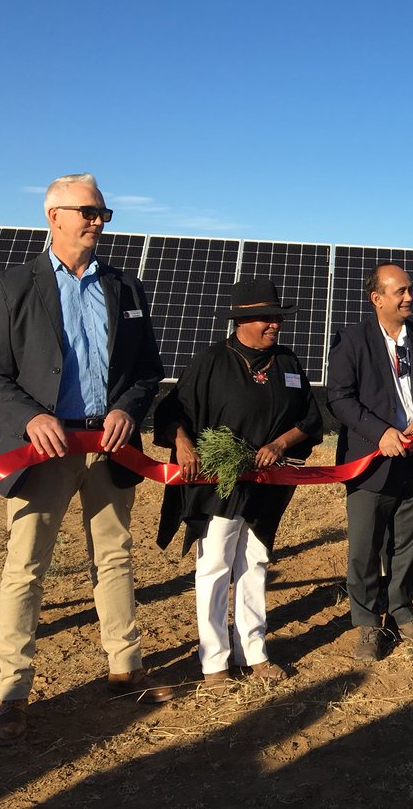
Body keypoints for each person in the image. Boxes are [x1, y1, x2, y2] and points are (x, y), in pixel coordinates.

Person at [0, 173, 169, 745]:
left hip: (109, 447)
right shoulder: (12, 285)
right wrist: (31, 418)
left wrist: (128, 409)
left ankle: (125, 667)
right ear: (53, 216)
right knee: (26, 567)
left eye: (103, 213)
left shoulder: (125, 287)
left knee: (115, 556)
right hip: (40, 450)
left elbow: (147, 372)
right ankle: (13, 692)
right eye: (88, 211)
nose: (98, 221)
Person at [154, 279, 323, 686]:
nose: (275, 325)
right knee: (215, 565)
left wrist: (281, 444)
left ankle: (254, 653)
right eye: (267, 318)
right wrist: (182, 443)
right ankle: (214, 663)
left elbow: (310, 418)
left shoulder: (287, 362)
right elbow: (171, 412)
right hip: (219, 484)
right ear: (241, 321)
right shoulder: (211, 361)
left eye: (277, 317)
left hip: (268, 483)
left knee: (255, 562)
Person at [327, 264, 413, 661]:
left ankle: (400, 611)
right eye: (400, 292)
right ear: (377, 298)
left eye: (410, 290)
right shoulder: (352, 340)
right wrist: (380, 433)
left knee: (405, 546)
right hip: (371, 462)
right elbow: (339, 398)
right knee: (365, 548)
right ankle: (366, 623)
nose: (409, 297)